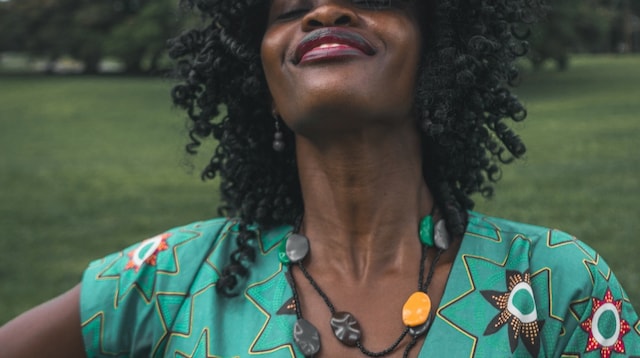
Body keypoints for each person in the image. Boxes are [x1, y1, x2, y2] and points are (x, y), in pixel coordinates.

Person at [1, 0, 639, 357]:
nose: (325, 11)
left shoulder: (557, 284)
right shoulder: (173, 278)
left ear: (440, 49)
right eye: (291, 9)